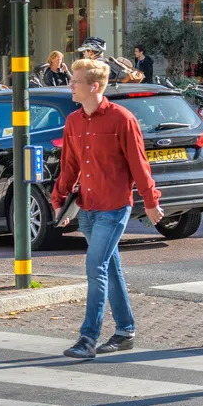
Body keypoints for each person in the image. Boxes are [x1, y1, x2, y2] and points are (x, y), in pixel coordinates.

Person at [50, 58, 164, 359]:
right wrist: (59, 201)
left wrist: (151, 202)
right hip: (86, 209)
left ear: (94, 86)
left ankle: (87, 338)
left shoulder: (122, 119)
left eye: (75, 81)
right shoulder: (74, 121)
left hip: (113, 208)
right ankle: (125, 331)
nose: (70, 85)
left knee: (95, 266)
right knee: (110, 269)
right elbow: (70, 165)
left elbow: (139, 165)